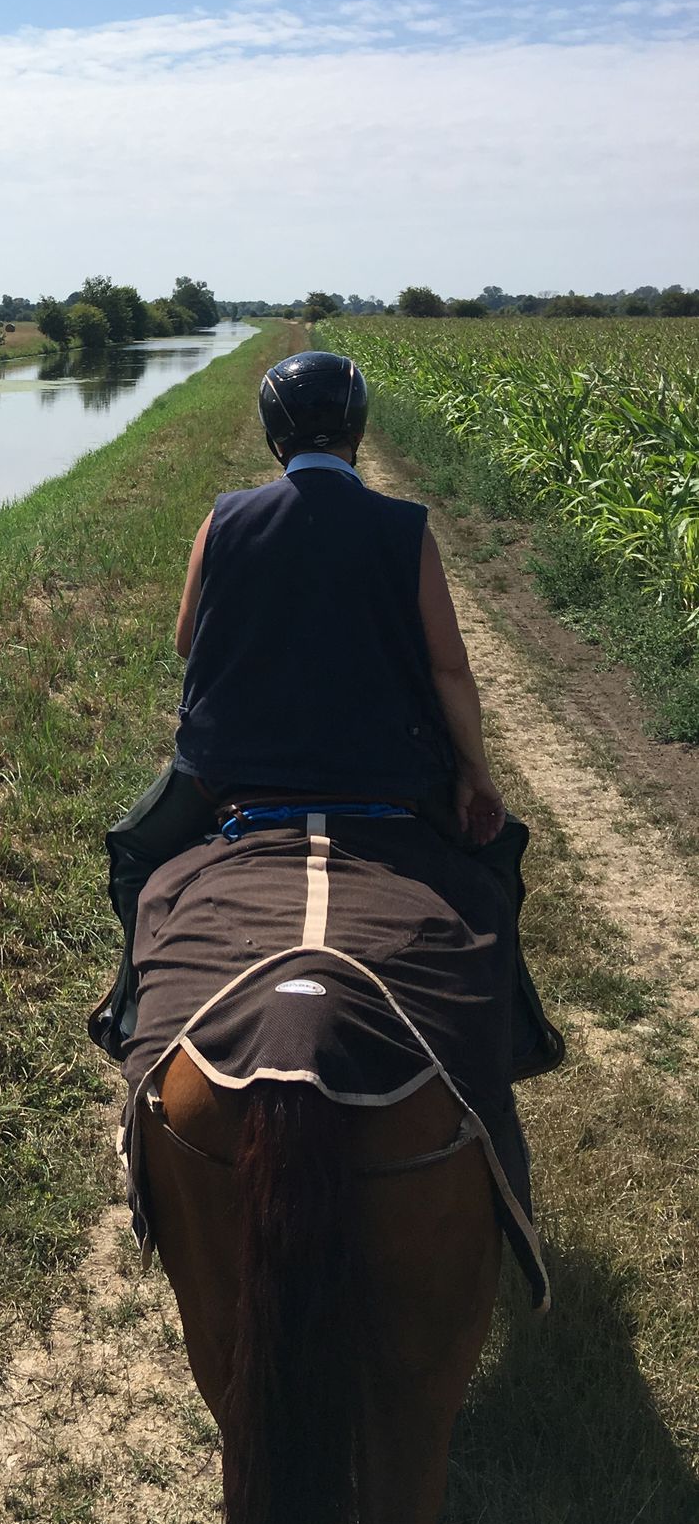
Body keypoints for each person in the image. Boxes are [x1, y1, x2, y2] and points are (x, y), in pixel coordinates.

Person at [89, 349, 563, 1078]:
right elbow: (448, 668)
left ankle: (129, 1007)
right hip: (386, 767)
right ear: (358, 431)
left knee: (137, 853)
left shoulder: (223, 520)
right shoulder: (406, 528)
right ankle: (516, 1037)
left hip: (229, 767)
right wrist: (475, 773)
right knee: (491, 864)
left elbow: (188, 641)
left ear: (273, 437)